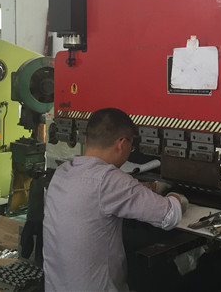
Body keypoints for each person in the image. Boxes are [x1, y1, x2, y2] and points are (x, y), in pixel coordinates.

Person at [43, 108, 188, 291]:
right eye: (131, 147)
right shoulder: (109, 180)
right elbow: (169, 215)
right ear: (122, 144)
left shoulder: (62, 173)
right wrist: (176, 195)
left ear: (87, 141)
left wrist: (141, 189)